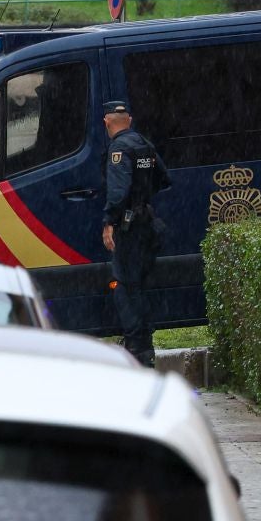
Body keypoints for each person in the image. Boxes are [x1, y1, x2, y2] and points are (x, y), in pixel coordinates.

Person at [101, 100, 170, 368]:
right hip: (146, 225)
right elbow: (163, 178)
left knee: (125, 288)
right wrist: (142, 198)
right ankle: (145, 346)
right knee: (139, 288)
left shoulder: (118, 149)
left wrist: (109, 221)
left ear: (107, 123)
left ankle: (136, 348)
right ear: (128, 119)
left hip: (128, 229)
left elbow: (118, 193)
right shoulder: (144, 144)